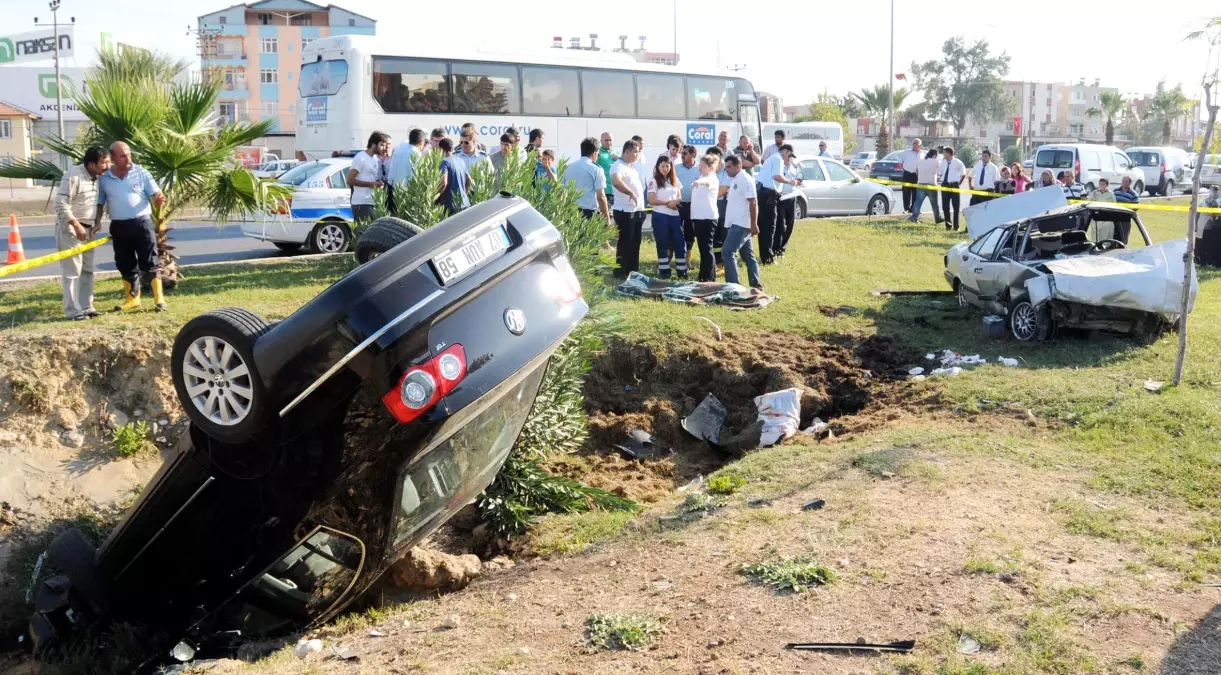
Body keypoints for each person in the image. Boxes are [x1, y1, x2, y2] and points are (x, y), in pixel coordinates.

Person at [94, 141, 168, 312]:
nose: (128, 158)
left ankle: (159, 300)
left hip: (142, 223)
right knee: (125, 263)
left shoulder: (141, 172)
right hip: (119, 226)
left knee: (150, 261)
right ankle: (133, 299)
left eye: (129, 154)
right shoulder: (104, 178)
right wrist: (97, 221)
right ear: (112, 157)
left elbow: (156, 194)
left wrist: (158, 199)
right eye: (122, 155)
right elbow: (100, 203)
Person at [55, 145, 109, 320]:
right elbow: (61, 204)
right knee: (72, 271)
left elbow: (98, 204)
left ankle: (86, 307)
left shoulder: (100, 177)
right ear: (92, 164)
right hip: (71, 229)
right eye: (104, 162)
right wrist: (76, 225)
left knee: (87, 269)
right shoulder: (73, 175)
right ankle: (72, 311)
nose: (108, 166)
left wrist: (97, 222)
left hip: (89, 229)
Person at [721, 155, 762, 290]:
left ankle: (733, 287)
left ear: (738, 166)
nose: (726, 169)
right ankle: (756, 285)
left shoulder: (745, 179)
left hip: (741, 223)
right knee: (748, 256)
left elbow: (753, 202)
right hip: (737, 223)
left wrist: (754, 224)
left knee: (727, 252)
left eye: (729, 167)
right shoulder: (735, 179)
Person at [755, 143, 800, 264]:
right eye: (789, 155)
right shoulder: (778, 159)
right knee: (769, 227)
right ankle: (767, 257)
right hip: (768, 194)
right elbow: (777, 176)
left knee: (767, 226)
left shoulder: (772, 158)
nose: (789, 158)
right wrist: (791, 182)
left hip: (766, 193)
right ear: (785, 152)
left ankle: (766, 255)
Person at [611, 139, 645, 279]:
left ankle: (633, 270)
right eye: (636, 152)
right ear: (627, 151)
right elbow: (616, 181)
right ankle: (620, 271)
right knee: (625, 242)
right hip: (625, 211)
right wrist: (630, 192)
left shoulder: (631, 167)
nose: (637, 155)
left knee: (635, 241)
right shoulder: (618, 166)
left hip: (637, 210)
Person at [648, 155, 686, 279]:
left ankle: (682, 272)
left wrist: (676, 203)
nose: (665, 168)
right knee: (662, 244)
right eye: (662, 166)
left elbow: (680, 198)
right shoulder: (653, 181)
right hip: (660, 216)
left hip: (674, 216)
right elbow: (651, 200)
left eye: (667, 166)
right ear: (658, 167)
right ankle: (664, 272)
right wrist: (667, 203)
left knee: (679, 243)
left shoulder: (675, 181)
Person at [690, 155, 721, 282]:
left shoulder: (712, 178)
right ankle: (704, 275)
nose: (700, 168)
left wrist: (699, 182)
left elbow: (707, 183)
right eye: (700, 165)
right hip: (699, 217)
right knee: (703, 249)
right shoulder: (702, 176)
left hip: (708, 218)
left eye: (703, 166)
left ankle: (709, 277)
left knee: (707, 248)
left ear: (711, 167)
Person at [347, 131, 389, 224]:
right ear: (373, 144)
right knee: (362, 233)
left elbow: (371, 178)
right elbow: (350, 180)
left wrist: (378, 182)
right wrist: (371, 184)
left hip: (372, 201)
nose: (383, 148)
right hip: (361, 203)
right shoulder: (361, 158)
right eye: (381, 145)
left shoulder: (375, 159)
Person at [569, 137, 611, 221]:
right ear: (595, 153)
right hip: (589, 214)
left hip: (571, 213)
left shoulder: (568, 167)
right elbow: (601, 197)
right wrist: (607, 219)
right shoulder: (596, 169)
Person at [675, 145, 701, 266]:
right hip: (679, 205)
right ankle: (671, 257)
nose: (682, 155)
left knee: (690, 233)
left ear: (693, 154)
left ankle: (687, 260)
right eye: (682, 153)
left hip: (694, 206)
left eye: (685, 153)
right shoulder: (676, 168)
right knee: (675, 231)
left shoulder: (700, 169)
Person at [774, 151, 802, 256]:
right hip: (781, 197)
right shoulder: (779, 167)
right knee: (780, 224)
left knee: (790, 224)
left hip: (791, 196)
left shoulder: (794, 167)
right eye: (789, 156)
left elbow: (799, 178)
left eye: (791, 156)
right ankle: (776, 248)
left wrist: (798, 181)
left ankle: (782, 249)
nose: (790, 158)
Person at [435, 138, 467, 215]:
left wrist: (435, 196)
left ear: (441, 149)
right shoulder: (461, 161)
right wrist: (463, 193)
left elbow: (443, 183)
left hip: (450, 205)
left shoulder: (444, 162)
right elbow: (469, 180)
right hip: (464, 203)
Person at [912, 148, 943, 224]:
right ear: (935, 155)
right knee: (934, 204)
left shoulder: (921, 161)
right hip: (931, 184)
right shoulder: (936, 162)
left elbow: (916, 171)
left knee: (918, 201)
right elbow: (940, 171)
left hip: (921, 184)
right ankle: (937, 218)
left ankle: (914, 217)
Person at [940, 146, 966, 231]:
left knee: (956, 206)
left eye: (944, 153)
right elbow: (941, 172)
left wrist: (958, 183)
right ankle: (948, 225)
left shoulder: (958, 162)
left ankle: (956, 226)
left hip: (954, 185)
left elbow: (963, 174)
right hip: (945, 185)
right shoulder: (943, 162)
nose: (943, 154)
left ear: (949, 154)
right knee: (945, 206)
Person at [631, 135, 649, 233]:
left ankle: (638, 230)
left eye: (642, 144)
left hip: (643, 188)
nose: (642, 146)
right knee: (635, 212)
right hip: (634, 188)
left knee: (643, 213)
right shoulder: (630, 156)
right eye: (640, 143)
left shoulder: (643, 155)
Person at [900, 138, 924, 213]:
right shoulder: (906, 152)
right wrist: (904, 168)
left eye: (916, 143)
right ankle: (906, 209)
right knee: (906, 192)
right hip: (907, 174)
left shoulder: (923, 154)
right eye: (914, 143)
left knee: (916, 193)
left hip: (916, 175)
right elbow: (901, 161)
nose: (915, 145)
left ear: (920, 145)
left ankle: (913, 208)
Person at [597, 133, 618, 207]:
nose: (608, 142)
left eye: (610, 140)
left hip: (616, 190)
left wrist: (618, 159)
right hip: (604, 190)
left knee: (613, 215)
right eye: (606, 140)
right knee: (604, 215)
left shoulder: (615, 152)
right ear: (601, 141)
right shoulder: (598, 153)